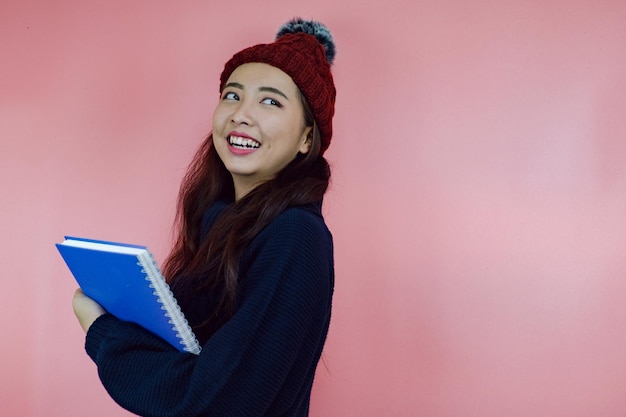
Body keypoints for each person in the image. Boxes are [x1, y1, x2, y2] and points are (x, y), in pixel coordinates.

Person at [72, 17, 337, 417]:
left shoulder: (294, 236)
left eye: (270, 102)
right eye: (232, 95)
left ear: (306, 138)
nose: (241, 115)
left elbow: (217, 403)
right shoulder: (217, 224)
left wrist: (102, 332)